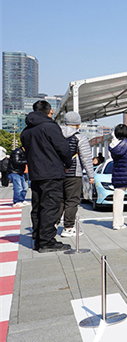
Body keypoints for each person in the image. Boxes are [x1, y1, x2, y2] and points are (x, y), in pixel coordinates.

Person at [20, 100, 73, 252]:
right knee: (51, 206)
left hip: (35, 173)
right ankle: (47, 241)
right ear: (49, 111)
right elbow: (63, 148)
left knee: (37, 206)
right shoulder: (50, 127)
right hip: (51, 172)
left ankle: (38, 237)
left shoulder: (26, 131)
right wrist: (68, 163)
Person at [59, 111, 94, 238]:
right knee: (72, 200)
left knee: (59, 200)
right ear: (78, 124)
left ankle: (52, 225)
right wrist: (91, 176)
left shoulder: (56, 135)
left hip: (57, 173)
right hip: (74, 174)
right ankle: (68, 228)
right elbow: (86, 158)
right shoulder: (80, 138)